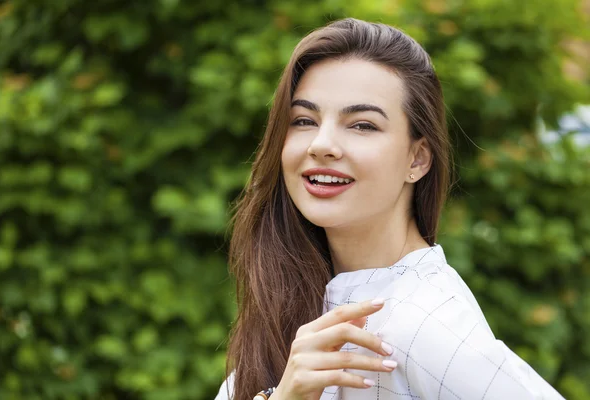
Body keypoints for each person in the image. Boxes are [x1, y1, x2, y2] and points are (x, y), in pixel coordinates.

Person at [214, 18, 565, 400]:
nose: (322, 143)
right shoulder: (298, 300)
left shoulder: (422, 322)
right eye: (303, 120)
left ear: (417, 159)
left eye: (362, 125)